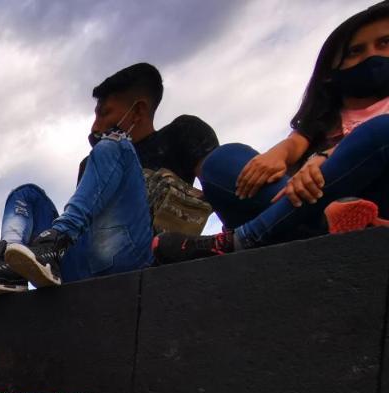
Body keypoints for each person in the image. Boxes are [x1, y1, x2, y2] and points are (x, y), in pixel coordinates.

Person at [0, 63, 218, 294]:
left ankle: (53, 243)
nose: (95, 126)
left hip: (141, 255)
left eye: (105, 114)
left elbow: (222, 186)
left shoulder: (180, 133)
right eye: (95, 115)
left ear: (138, 111)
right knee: (26, 195)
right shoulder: (94, 158)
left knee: (115, 144)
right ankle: (11, 269)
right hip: (84, 259)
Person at [155, 3, 389, 262]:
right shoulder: (321, 124)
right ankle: (326, 221)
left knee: (381, 130)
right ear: (330, 73)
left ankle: (245, 238)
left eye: (385, 43)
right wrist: (278, 159)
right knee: (223, 161)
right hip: (314, 207)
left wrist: (322, 161)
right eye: (356, 51)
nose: (372, 56)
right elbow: (291, 148)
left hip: (379, 198)